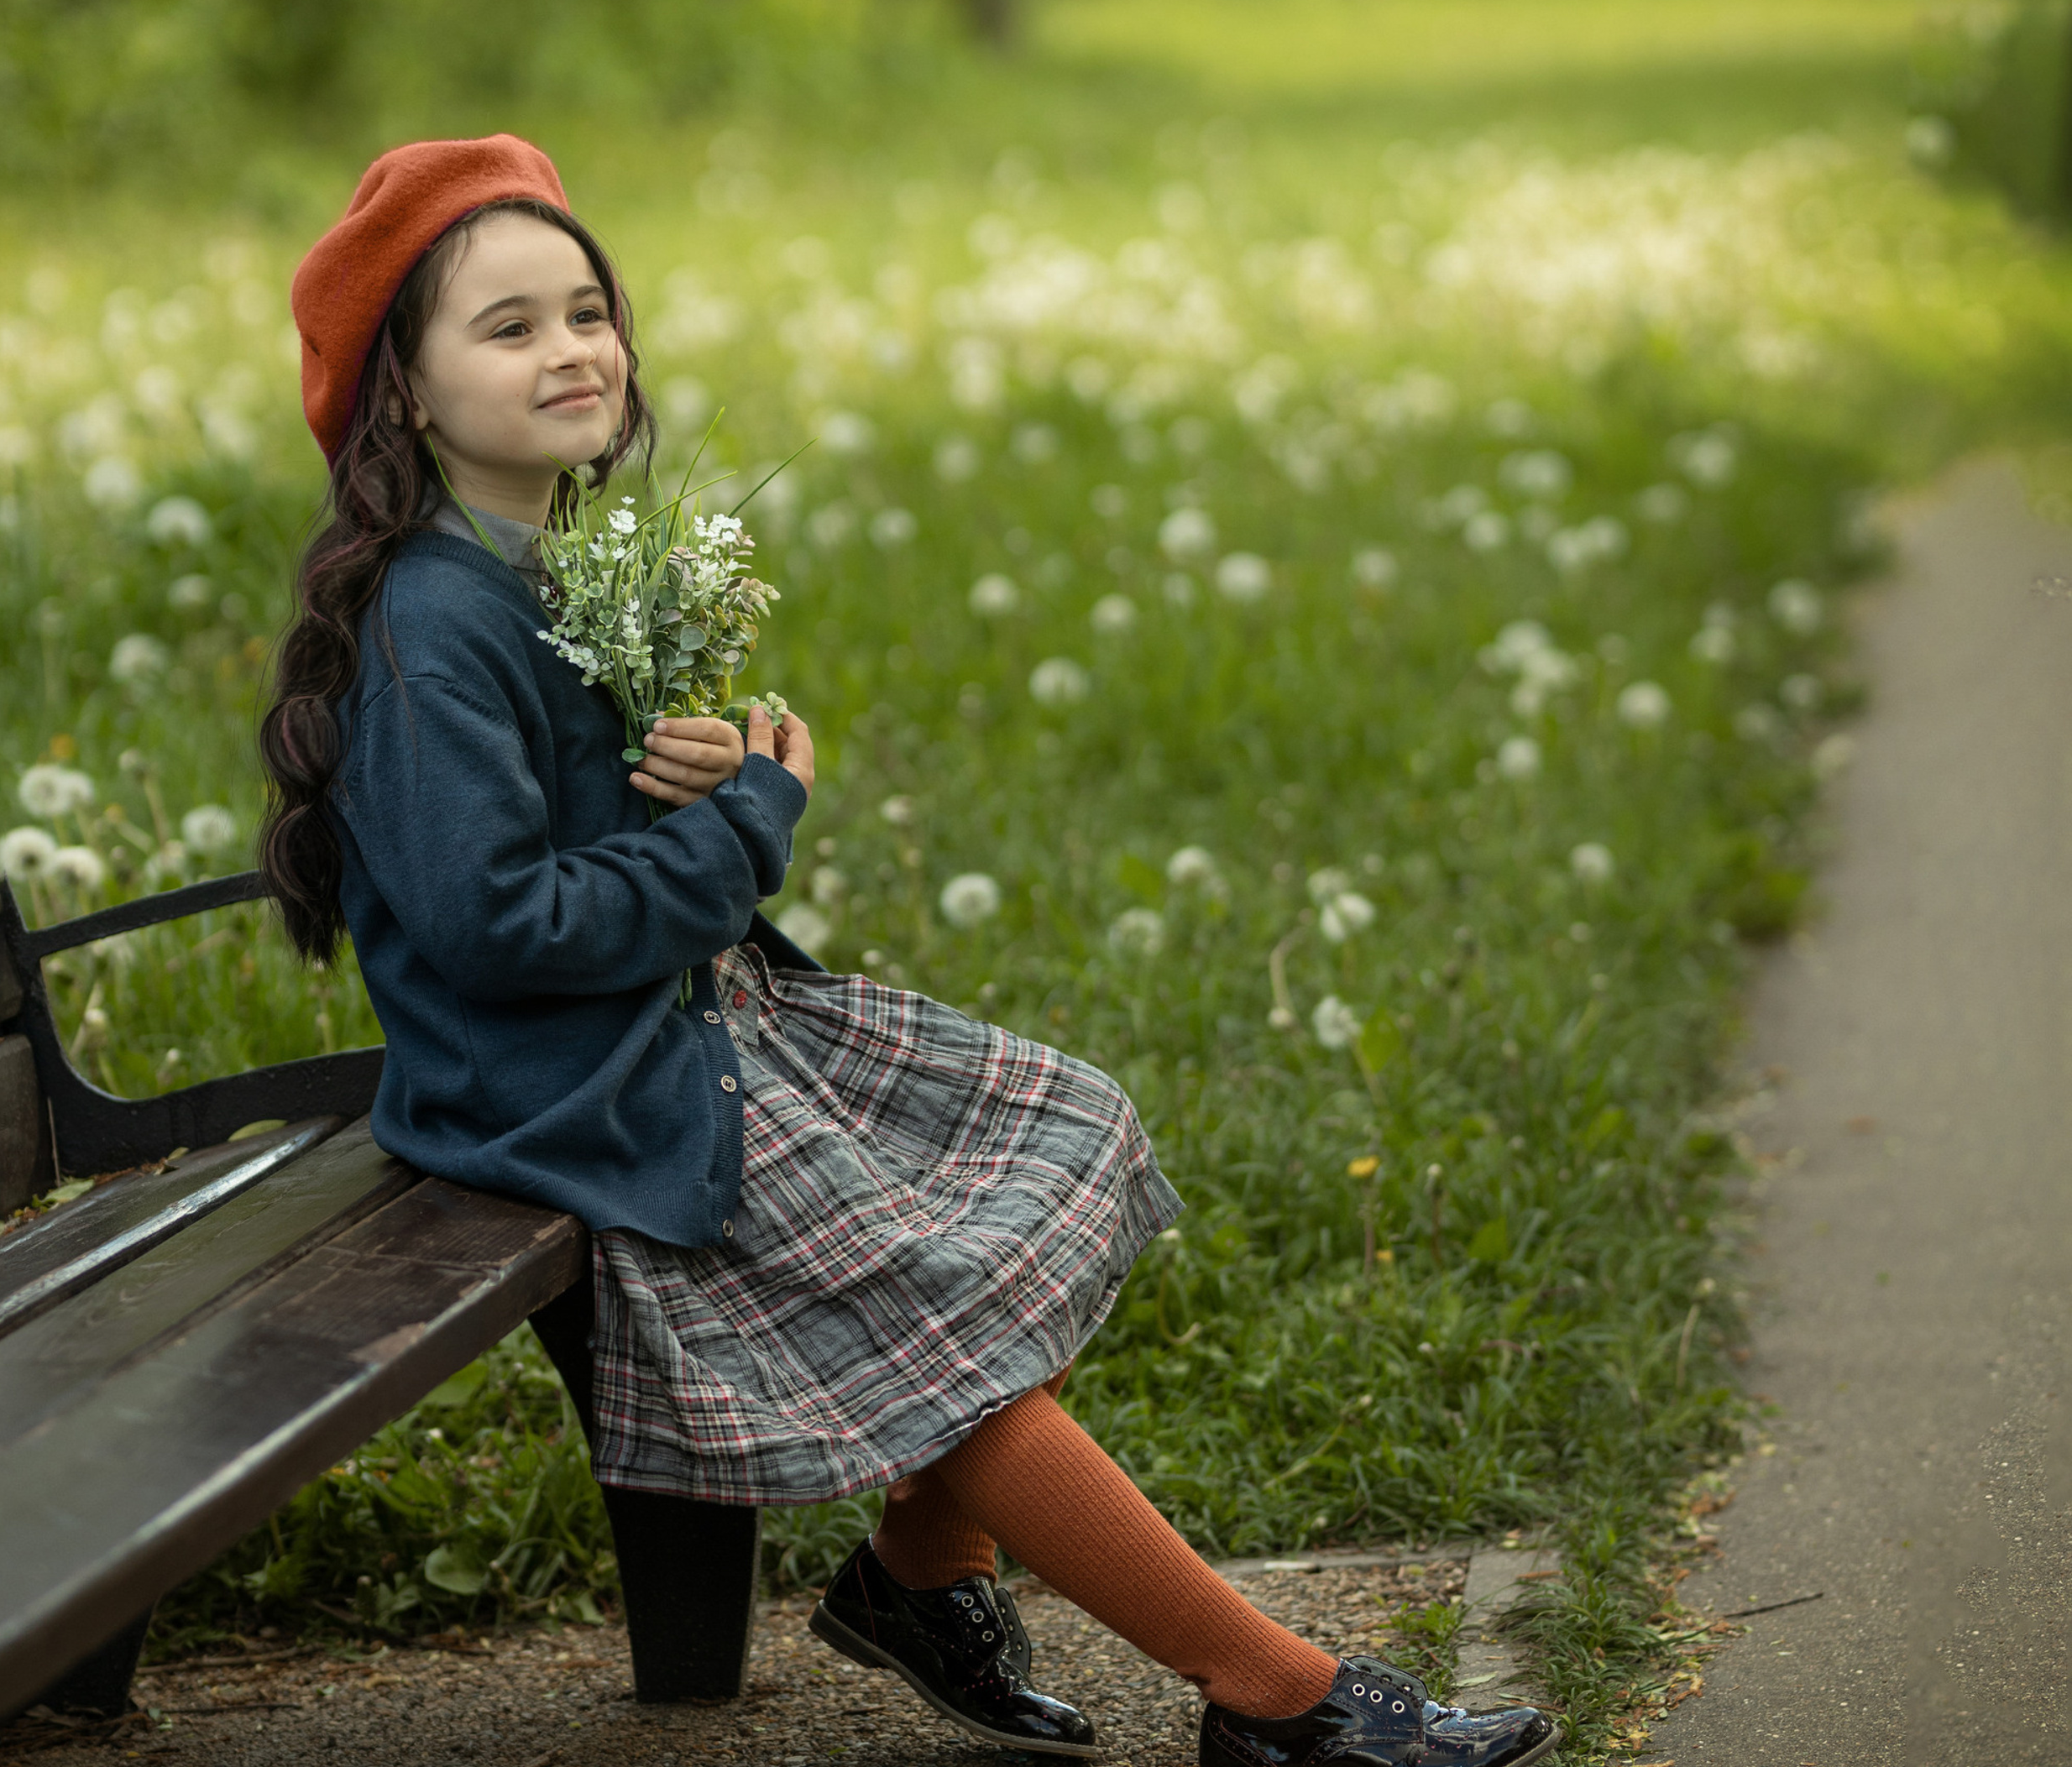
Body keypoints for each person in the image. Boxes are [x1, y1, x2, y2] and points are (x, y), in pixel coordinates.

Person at [259, 134, 1557, 1767]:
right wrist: (745, 823)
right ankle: (1277, 1700)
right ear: (407, 393)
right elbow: (499, 927)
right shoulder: (430, 625)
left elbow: (560, 847)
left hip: (667, 1020)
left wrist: (691, 773)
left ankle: (917, 1571)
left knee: (1056, 1126)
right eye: (505, 328)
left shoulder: (543, 567)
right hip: (561, 1092)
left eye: (587, 310)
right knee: (954, 1351)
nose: (571, 348)